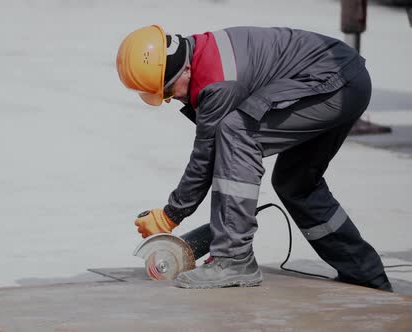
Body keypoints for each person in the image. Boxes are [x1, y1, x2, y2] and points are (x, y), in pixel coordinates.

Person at [115, 25, 393, 291]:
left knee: (237, 132)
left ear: (184, 69)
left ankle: (234, 259)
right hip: (343, 79)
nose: (168, 100)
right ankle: (366, 273)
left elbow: (206, 156)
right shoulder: (200, 54)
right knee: (295, 183)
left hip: (333, 82)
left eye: (167, 91)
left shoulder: (217, 80)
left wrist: (170, 215)